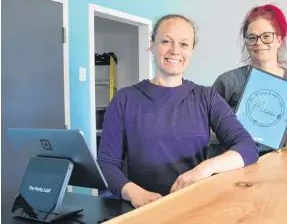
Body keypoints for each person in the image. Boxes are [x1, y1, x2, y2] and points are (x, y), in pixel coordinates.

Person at [97, 14, 259, 209]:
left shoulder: (206, 97)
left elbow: (247, 147)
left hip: (192, 207)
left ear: (191, 50)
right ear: (152, 44)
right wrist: (135, 194)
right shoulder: (124, 99)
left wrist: (205, 168)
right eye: (166, 41)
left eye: (184, 44)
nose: (175, 51)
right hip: (140, 209)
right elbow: (107, 163)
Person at [210, 4, 287, 156]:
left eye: (266, 36)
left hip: (274, 165)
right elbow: (204, 132)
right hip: (230, 164)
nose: (259, 42)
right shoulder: (227, 81)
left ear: (279, 40)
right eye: (252, 37)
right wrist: (230, 131)